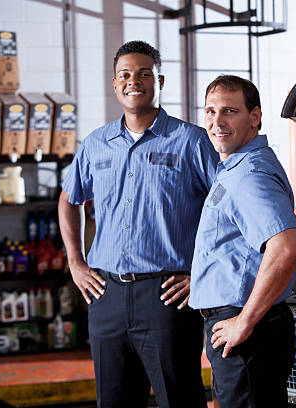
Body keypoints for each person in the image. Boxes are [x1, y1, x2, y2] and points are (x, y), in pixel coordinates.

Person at [58, 40, 218, 408]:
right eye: (125, 75)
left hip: (167, 297)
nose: (135, 81)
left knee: (179, 399)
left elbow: (227, 211)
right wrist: (75, 262)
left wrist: (202, 275)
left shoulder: (192, 141)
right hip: (105, 295)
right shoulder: (96, 143)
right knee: (113, 401)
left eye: (144, 74)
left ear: (160, 81)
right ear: (115, 84)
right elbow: (69, 200)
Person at [189, 75, 296, 408]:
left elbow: (287, 247)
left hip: (247, 330)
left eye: (229, 111)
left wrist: (245, 321)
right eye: (210, 112)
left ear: (254, 117)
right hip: (243, 327)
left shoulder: (249, 174)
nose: (216, 122)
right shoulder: (234, 167)